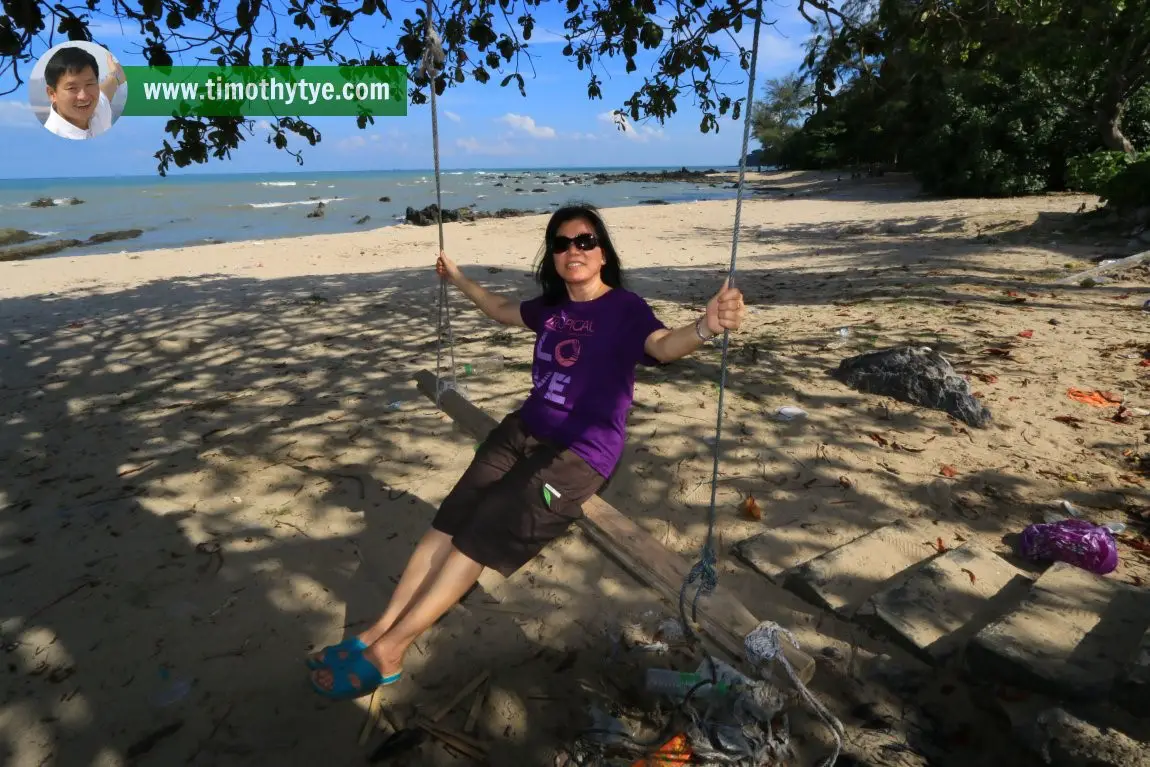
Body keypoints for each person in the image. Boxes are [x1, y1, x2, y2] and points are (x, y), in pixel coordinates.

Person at [308, 204, 746, 700]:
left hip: (580, 453)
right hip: (522, 431)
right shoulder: (551, 308)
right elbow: (497, 308)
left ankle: (393, 651)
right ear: (553, 256)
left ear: (602, 253)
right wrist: (457, 278)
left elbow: (664, 346)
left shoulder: (624, 308)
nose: (572, 251)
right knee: (447, 523)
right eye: (561, 243)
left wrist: (706, 327)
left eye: (584, 241)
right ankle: (379, 629)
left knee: (483, 530)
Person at [43, 47, 124, 140]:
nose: (84, 96)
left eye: (89, 84)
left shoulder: (96, 108)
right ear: (52, 94)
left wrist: (115, 74)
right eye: (72, 88)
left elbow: (107, 88)